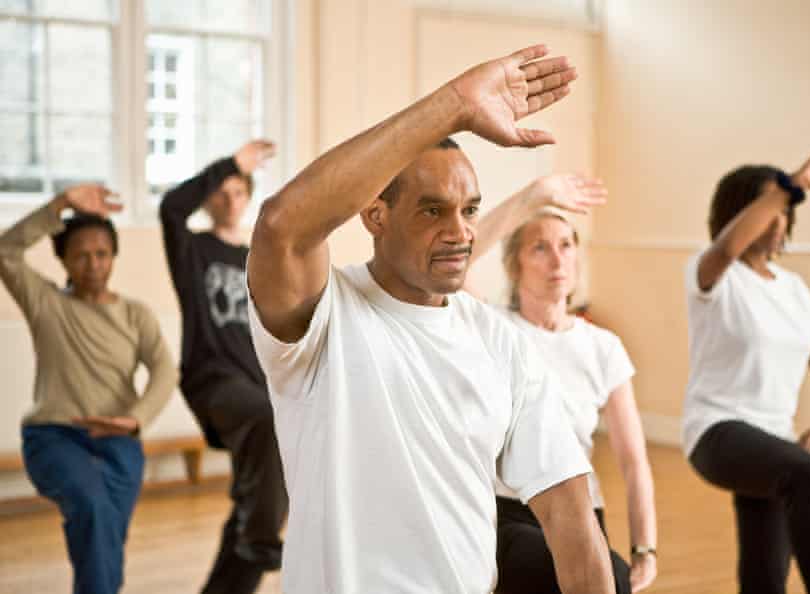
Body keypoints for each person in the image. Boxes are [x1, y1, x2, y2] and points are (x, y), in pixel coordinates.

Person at [246, 45, 617, 594]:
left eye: (468, 211)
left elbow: (571, 517)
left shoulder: (500, 341)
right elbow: (281, 225)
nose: (461, 232)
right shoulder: (324, 317)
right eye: (432, 210)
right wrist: (455, 104)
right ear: (375, 214)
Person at [466, 174, 657, 594]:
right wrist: (529, 198)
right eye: (540, 247)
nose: (557, 259)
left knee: (612, 575)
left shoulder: (603, 347)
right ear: (515, 266)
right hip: (509, 512)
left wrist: (646, 547)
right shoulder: (494, 328)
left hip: (582, 512)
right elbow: (460, 257)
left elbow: (633, 459)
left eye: (566, 245)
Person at [683, 144, 810, 594]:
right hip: (717, 431)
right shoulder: (711, 273)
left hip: (772, 440)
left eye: (785, 212)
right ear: (741, 214)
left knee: (765, 574)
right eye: (769, 209)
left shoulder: (794, 289)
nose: (780, 221)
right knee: (806, 474)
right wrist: (792, 185)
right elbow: (726, 249)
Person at [0, 185, 178, 594]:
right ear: (62, 259)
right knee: (95, 510)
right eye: (80, 254)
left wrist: (135, 419)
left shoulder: (135, 314)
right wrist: (59, 204)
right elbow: (5, 251)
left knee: (106, 535)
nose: (93, 264)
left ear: (114, 257)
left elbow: (165, 369)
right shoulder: (46, 302)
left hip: (119, 440)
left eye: (102, 253)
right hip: (54, 437)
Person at [159, 140, 287, 594]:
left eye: (238, 191)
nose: (229, 201)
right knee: (266, 425)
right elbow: (171, 208)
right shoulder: (192, 250)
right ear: (209, 197)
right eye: (221, 192)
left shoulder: (260, 257)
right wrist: (231, 164)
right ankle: (261, 541)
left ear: (249, 197)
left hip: (258, 384)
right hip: (213, 382)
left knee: (260, 493)